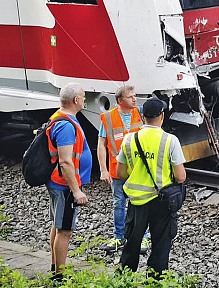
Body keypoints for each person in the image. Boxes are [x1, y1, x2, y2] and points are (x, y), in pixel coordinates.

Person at [116, 97, 186, 274]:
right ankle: (155, 280)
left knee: (132, 242)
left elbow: (120, 173)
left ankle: (125, 279)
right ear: (162, 116)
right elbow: (181, 176)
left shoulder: (129, 139)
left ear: (142, 116)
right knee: (161, 245)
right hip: (161, 201)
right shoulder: (171, 140)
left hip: (136, 202)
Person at [46, 83, 92, 278]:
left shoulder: (59, 117)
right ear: (75, 100)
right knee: (65, 231)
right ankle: (59, 276)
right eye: (82, 97)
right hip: (64, 185)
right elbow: (65, 162)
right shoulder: (65, 125)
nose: (84, 100)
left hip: (57, 182)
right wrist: (76, 190)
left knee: (57, 226)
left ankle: (55, 266)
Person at [97, 86, 150, 254]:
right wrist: (103, 170)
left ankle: (143, 238)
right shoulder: (108, 118)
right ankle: (119, 237)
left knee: (140, 203)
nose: (135, 99)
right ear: (120, 101)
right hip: (118, 170)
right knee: (119, 204)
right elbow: (101, 145)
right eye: (130, 97)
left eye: (135, 96)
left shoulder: (140, 113)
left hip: (139, 169)